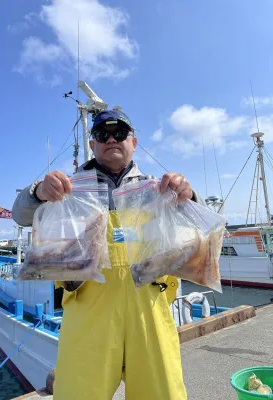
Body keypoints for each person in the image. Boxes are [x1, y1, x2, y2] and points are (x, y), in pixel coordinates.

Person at [12, 109, 204, 400]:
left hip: (149, 311)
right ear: (93, 145)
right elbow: (20, 214)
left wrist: (190, 195)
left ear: (134, 141)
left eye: (120, 133)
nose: (111, 139)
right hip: (89, 312)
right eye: (102, 134)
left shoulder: (158, 188)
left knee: (164, 394)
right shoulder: (70, 188)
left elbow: (194, 222)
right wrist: (38, 190)